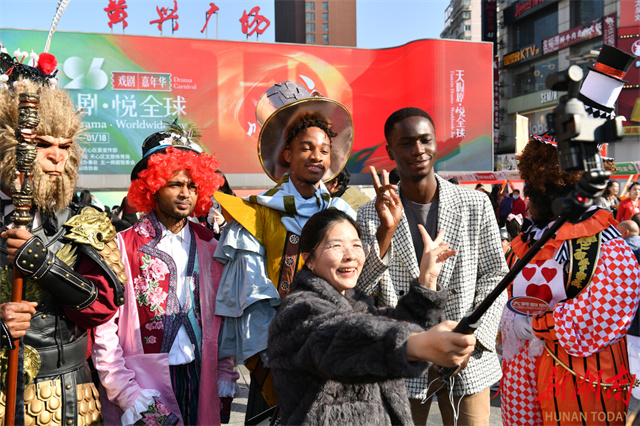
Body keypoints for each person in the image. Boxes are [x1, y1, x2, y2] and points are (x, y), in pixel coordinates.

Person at [212, 81, 356, 420]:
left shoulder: (343, 212)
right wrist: (276, 359)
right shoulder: (256, 215)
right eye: (306, 147)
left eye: (324, 149)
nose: (317, 156)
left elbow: (359, 287)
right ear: (287, 154)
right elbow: (252, 298)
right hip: (279, 360)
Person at [356, 107, 508, 426]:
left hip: (466, 356)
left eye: (425, 140)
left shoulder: (475, 204)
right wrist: (386, 232)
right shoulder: (371, 214)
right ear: (390, 151)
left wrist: (471, 338)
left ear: (436, 143)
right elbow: (359, 289)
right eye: (406, 143)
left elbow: (495, 276)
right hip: (402, 358)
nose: (418, 150)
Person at [0, 44, 125, 424]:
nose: (57, 156)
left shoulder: (84, 219)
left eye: (65, 146)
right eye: (43, 144)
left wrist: (46, 266)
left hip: (67, 393)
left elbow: (101, 306)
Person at [268, 208, 476, 425]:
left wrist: (428, 279)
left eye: (356, 245)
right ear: (309, 259)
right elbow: (342, 339)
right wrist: (418, 344)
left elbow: (395, 324)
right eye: (336, 246)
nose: (350, 255)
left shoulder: (357, 304)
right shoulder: (297, 311)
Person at [91, 123, 240, 425]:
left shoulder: (211, 247)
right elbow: (104, 330)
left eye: (193, 186)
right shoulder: (121, 246)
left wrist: (224, 373)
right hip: (141, 382)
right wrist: (125, 391)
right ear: (153, 186)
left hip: (199, 377)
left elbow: (222, 321)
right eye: (175, 184)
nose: (186, 194)